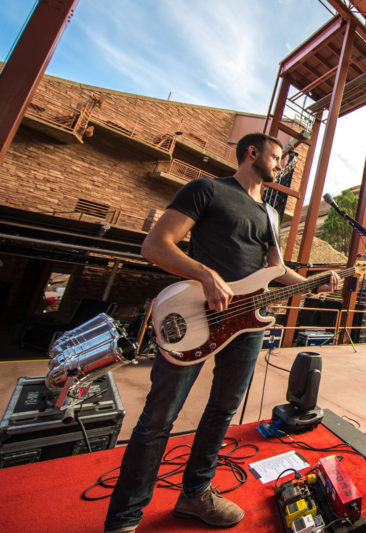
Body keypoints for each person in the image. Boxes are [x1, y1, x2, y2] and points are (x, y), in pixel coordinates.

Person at [104, 133, 340, 533]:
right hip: (196, 315)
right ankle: (124, 519)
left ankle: (195, 494)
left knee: (223, 410)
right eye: (276, 155)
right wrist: (206, 274)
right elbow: (156, 245)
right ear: (253, 153)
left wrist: (313, 282)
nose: (280, 163)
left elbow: (274, 270)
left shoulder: (269, 214)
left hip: (247, 322)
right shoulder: (206, 190)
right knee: (159, 417)